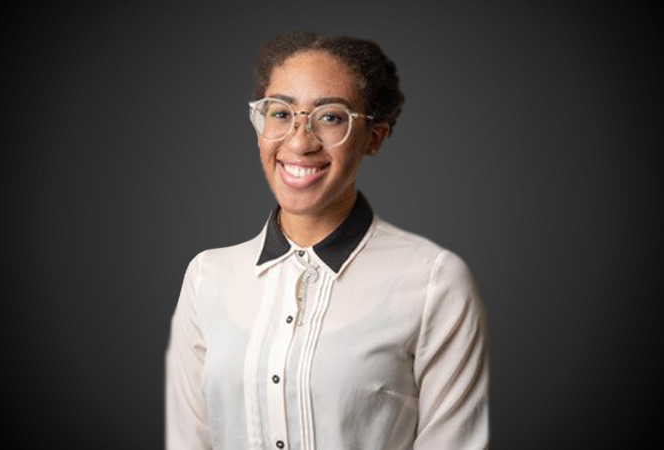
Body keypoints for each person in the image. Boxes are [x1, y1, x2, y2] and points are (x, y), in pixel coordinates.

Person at [166, 31, 488, 449]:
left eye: (331, 116)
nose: (299, 142)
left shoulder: (434, 282)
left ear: (374, 137)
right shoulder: (207, 277)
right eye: (280, 113)